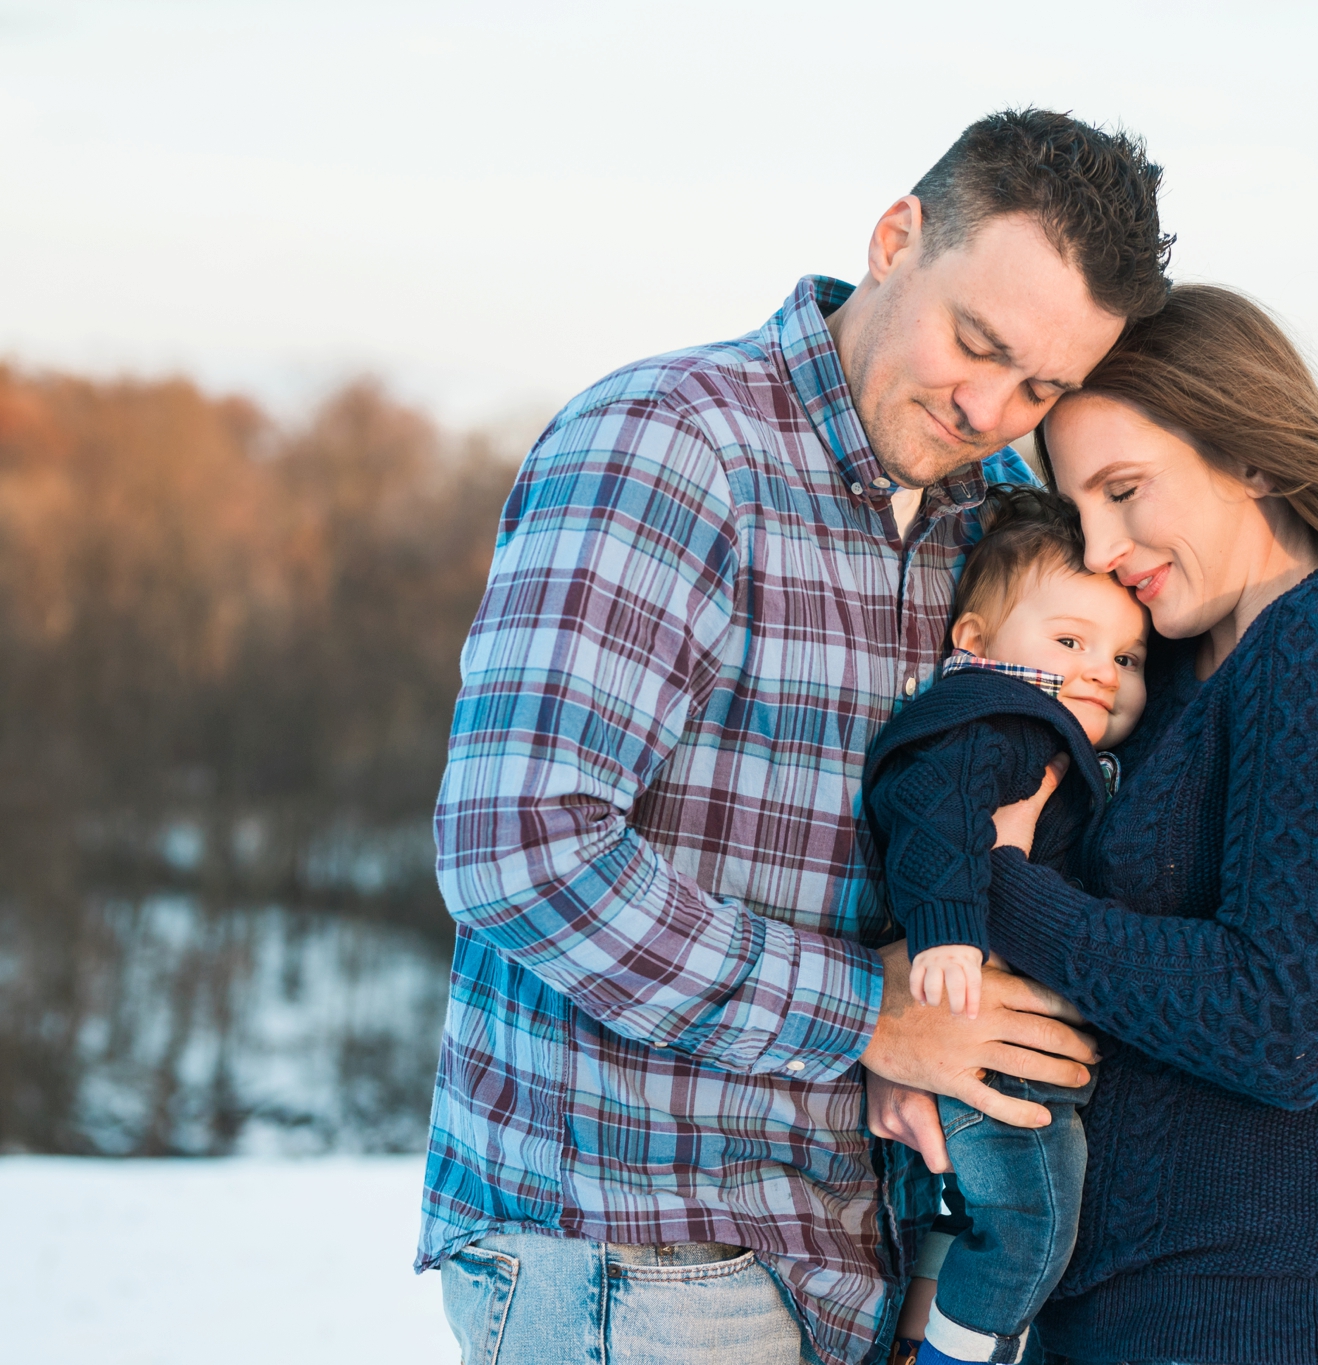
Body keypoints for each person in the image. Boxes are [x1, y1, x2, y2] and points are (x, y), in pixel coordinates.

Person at [420, 109, 1173, 1365]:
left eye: (1040, 387)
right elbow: (518, 847)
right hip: (633, 1246)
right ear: (894, 241)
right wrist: (864, 1016)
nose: (990, 405)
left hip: (852, 1256)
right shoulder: (669, 446)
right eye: (973, 343)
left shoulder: (985, 521)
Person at [868, 284, 1318, 1364]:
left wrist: (985, 889)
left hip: (1270, 1322)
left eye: (1125, 490)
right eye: (1078, 504)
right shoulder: (1167, 670)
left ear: (1254, 459)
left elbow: (1286, 1026)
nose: (1096, 545)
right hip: (1116, 1324)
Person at [860, 484, 1147, 1365]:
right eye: (1071, 641)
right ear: (976, 644)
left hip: (985, 1035)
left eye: (1129, 657)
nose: (1102, 669)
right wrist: (947, 927)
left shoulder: (1049, 729)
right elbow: (932, 806)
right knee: (1035, 1223)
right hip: (978, 1030)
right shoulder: (1007, 719)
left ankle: (920, 1332)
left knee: (972, 1213)